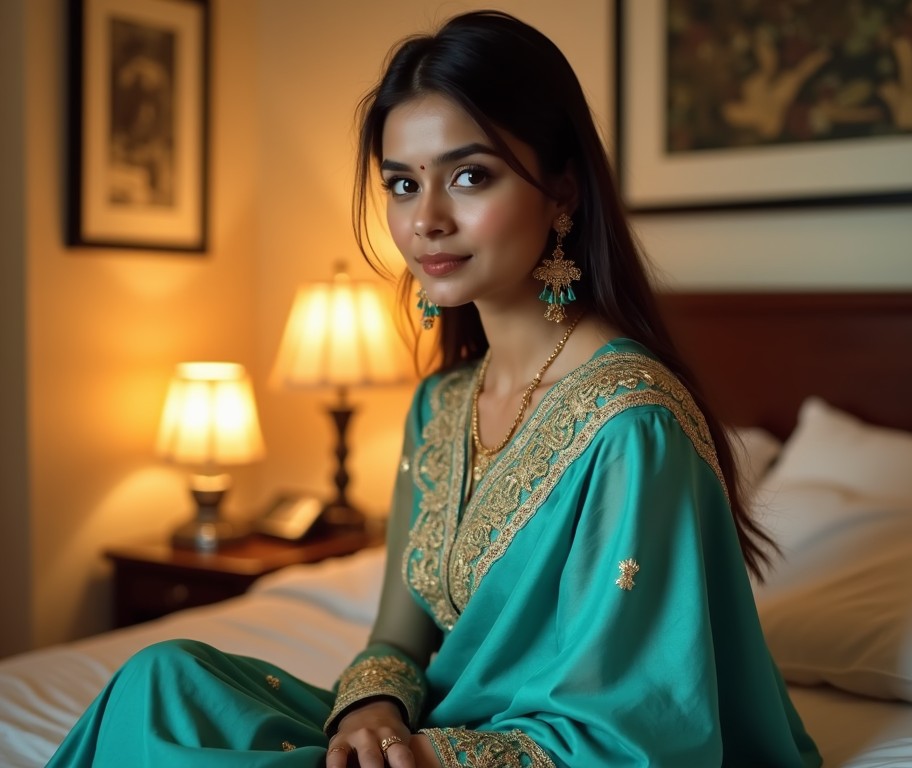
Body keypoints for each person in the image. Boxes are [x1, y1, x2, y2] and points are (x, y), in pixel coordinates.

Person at [47, 10, 821, 768]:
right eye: (402, 184)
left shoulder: (633, 426)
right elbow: (396, 641)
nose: (427, 220)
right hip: (429, 734)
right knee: (163, 677)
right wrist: (374, 710)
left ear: (563, 191)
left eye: (470, 175)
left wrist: (428, 754)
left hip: (550, 755)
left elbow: (638, 732)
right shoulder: (442, 405)